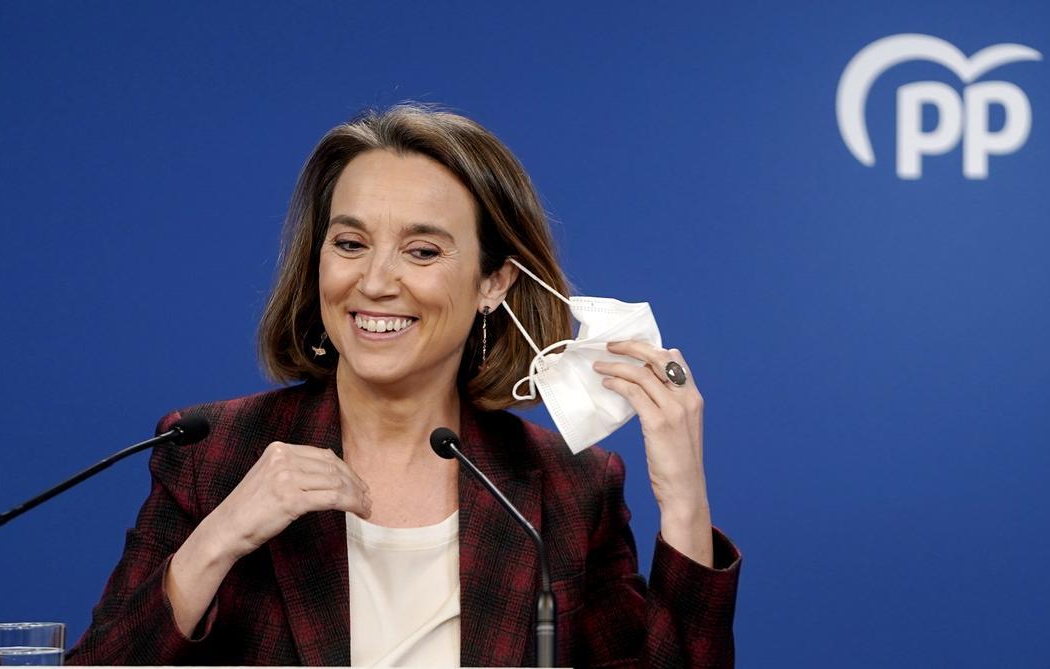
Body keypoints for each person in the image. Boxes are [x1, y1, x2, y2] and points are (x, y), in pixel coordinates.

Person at [66, 104, 740, 668]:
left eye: (422, 251)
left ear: (493, 282)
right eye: (351, 243)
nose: (376, 281)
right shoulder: (212, 452)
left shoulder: (571, 487)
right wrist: (219, 538)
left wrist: (683, 500)